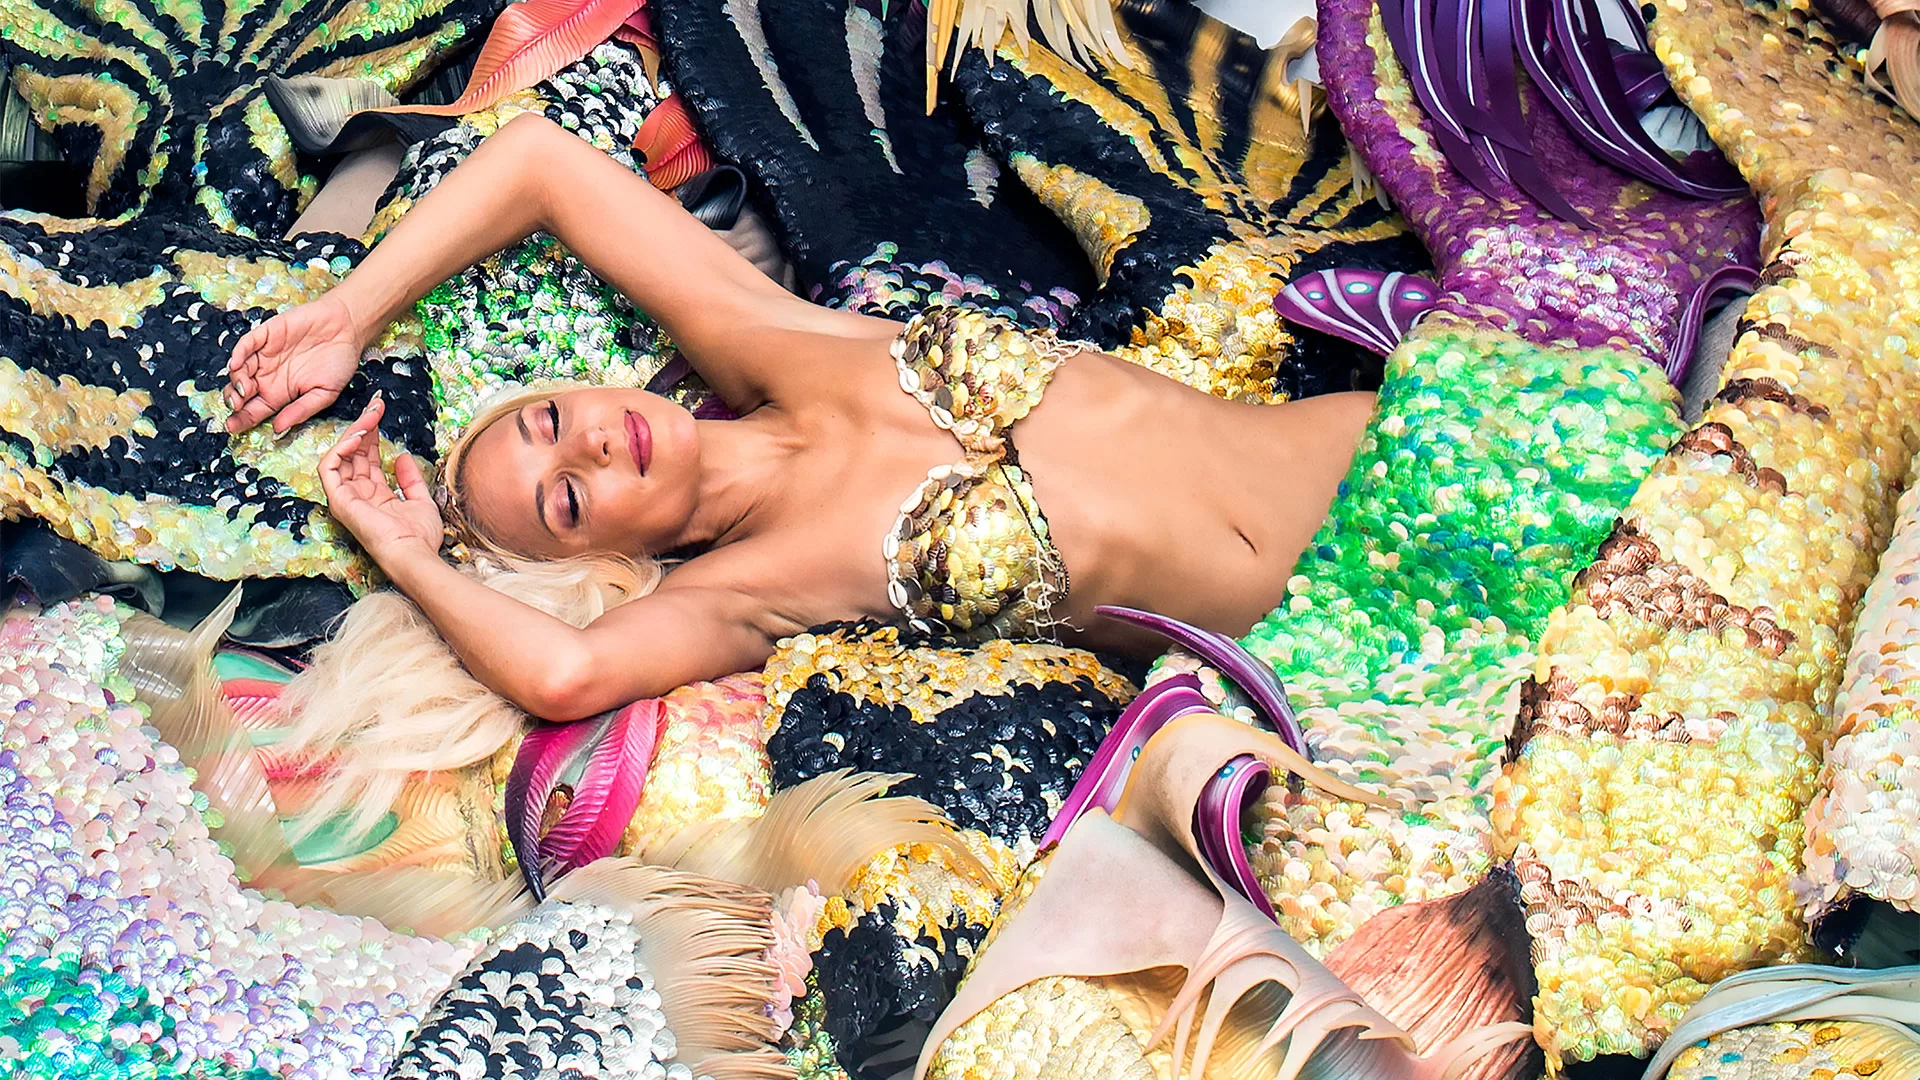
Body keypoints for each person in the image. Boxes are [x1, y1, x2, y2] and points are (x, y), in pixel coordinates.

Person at [225, 111, 1373, 724]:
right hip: (1360, 634)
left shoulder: (773, 336)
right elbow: (564, 676)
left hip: (1395, 437)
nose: (591, 444)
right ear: (607, 557)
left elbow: (536, 164)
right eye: (568, 499)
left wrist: (350, 314)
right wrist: (409, 556)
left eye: (555, 419)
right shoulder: (740, 592)